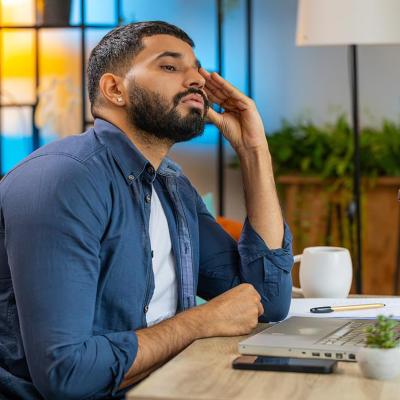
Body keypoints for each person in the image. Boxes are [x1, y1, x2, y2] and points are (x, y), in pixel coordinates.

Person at [0, 21, 293, 400]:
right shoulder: (64, 179)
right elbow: (66, 375)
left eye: (196, 69)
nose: (197, 81)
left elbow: (267, 300)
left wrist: (254, 149)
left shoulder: (170, 183)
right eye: (170, 67)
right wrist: (199, 323)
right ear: (114, 89)